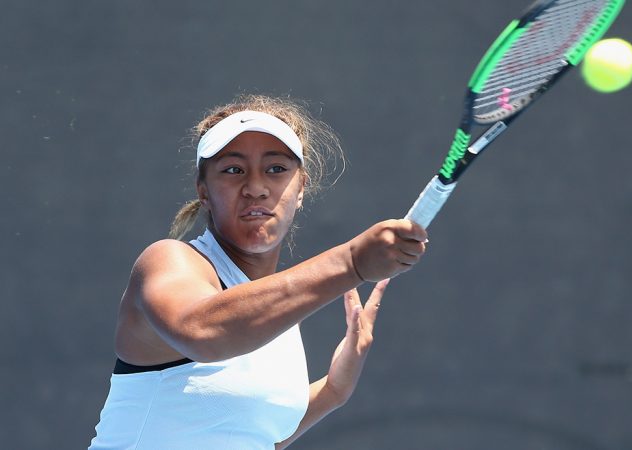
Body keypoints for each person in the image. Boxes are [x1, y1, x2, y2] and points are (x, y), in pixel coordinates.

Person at [89, 94, 428, 449]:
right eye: (233, 170)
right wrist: (351, 263)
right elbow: (201, 330)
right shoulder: (168, 261)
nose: (255, 188)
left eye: (276, 169)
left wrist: (333, 391)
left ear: (301, 189)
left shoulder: (272, 311)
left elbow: (252, 437)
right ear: (203, 192)